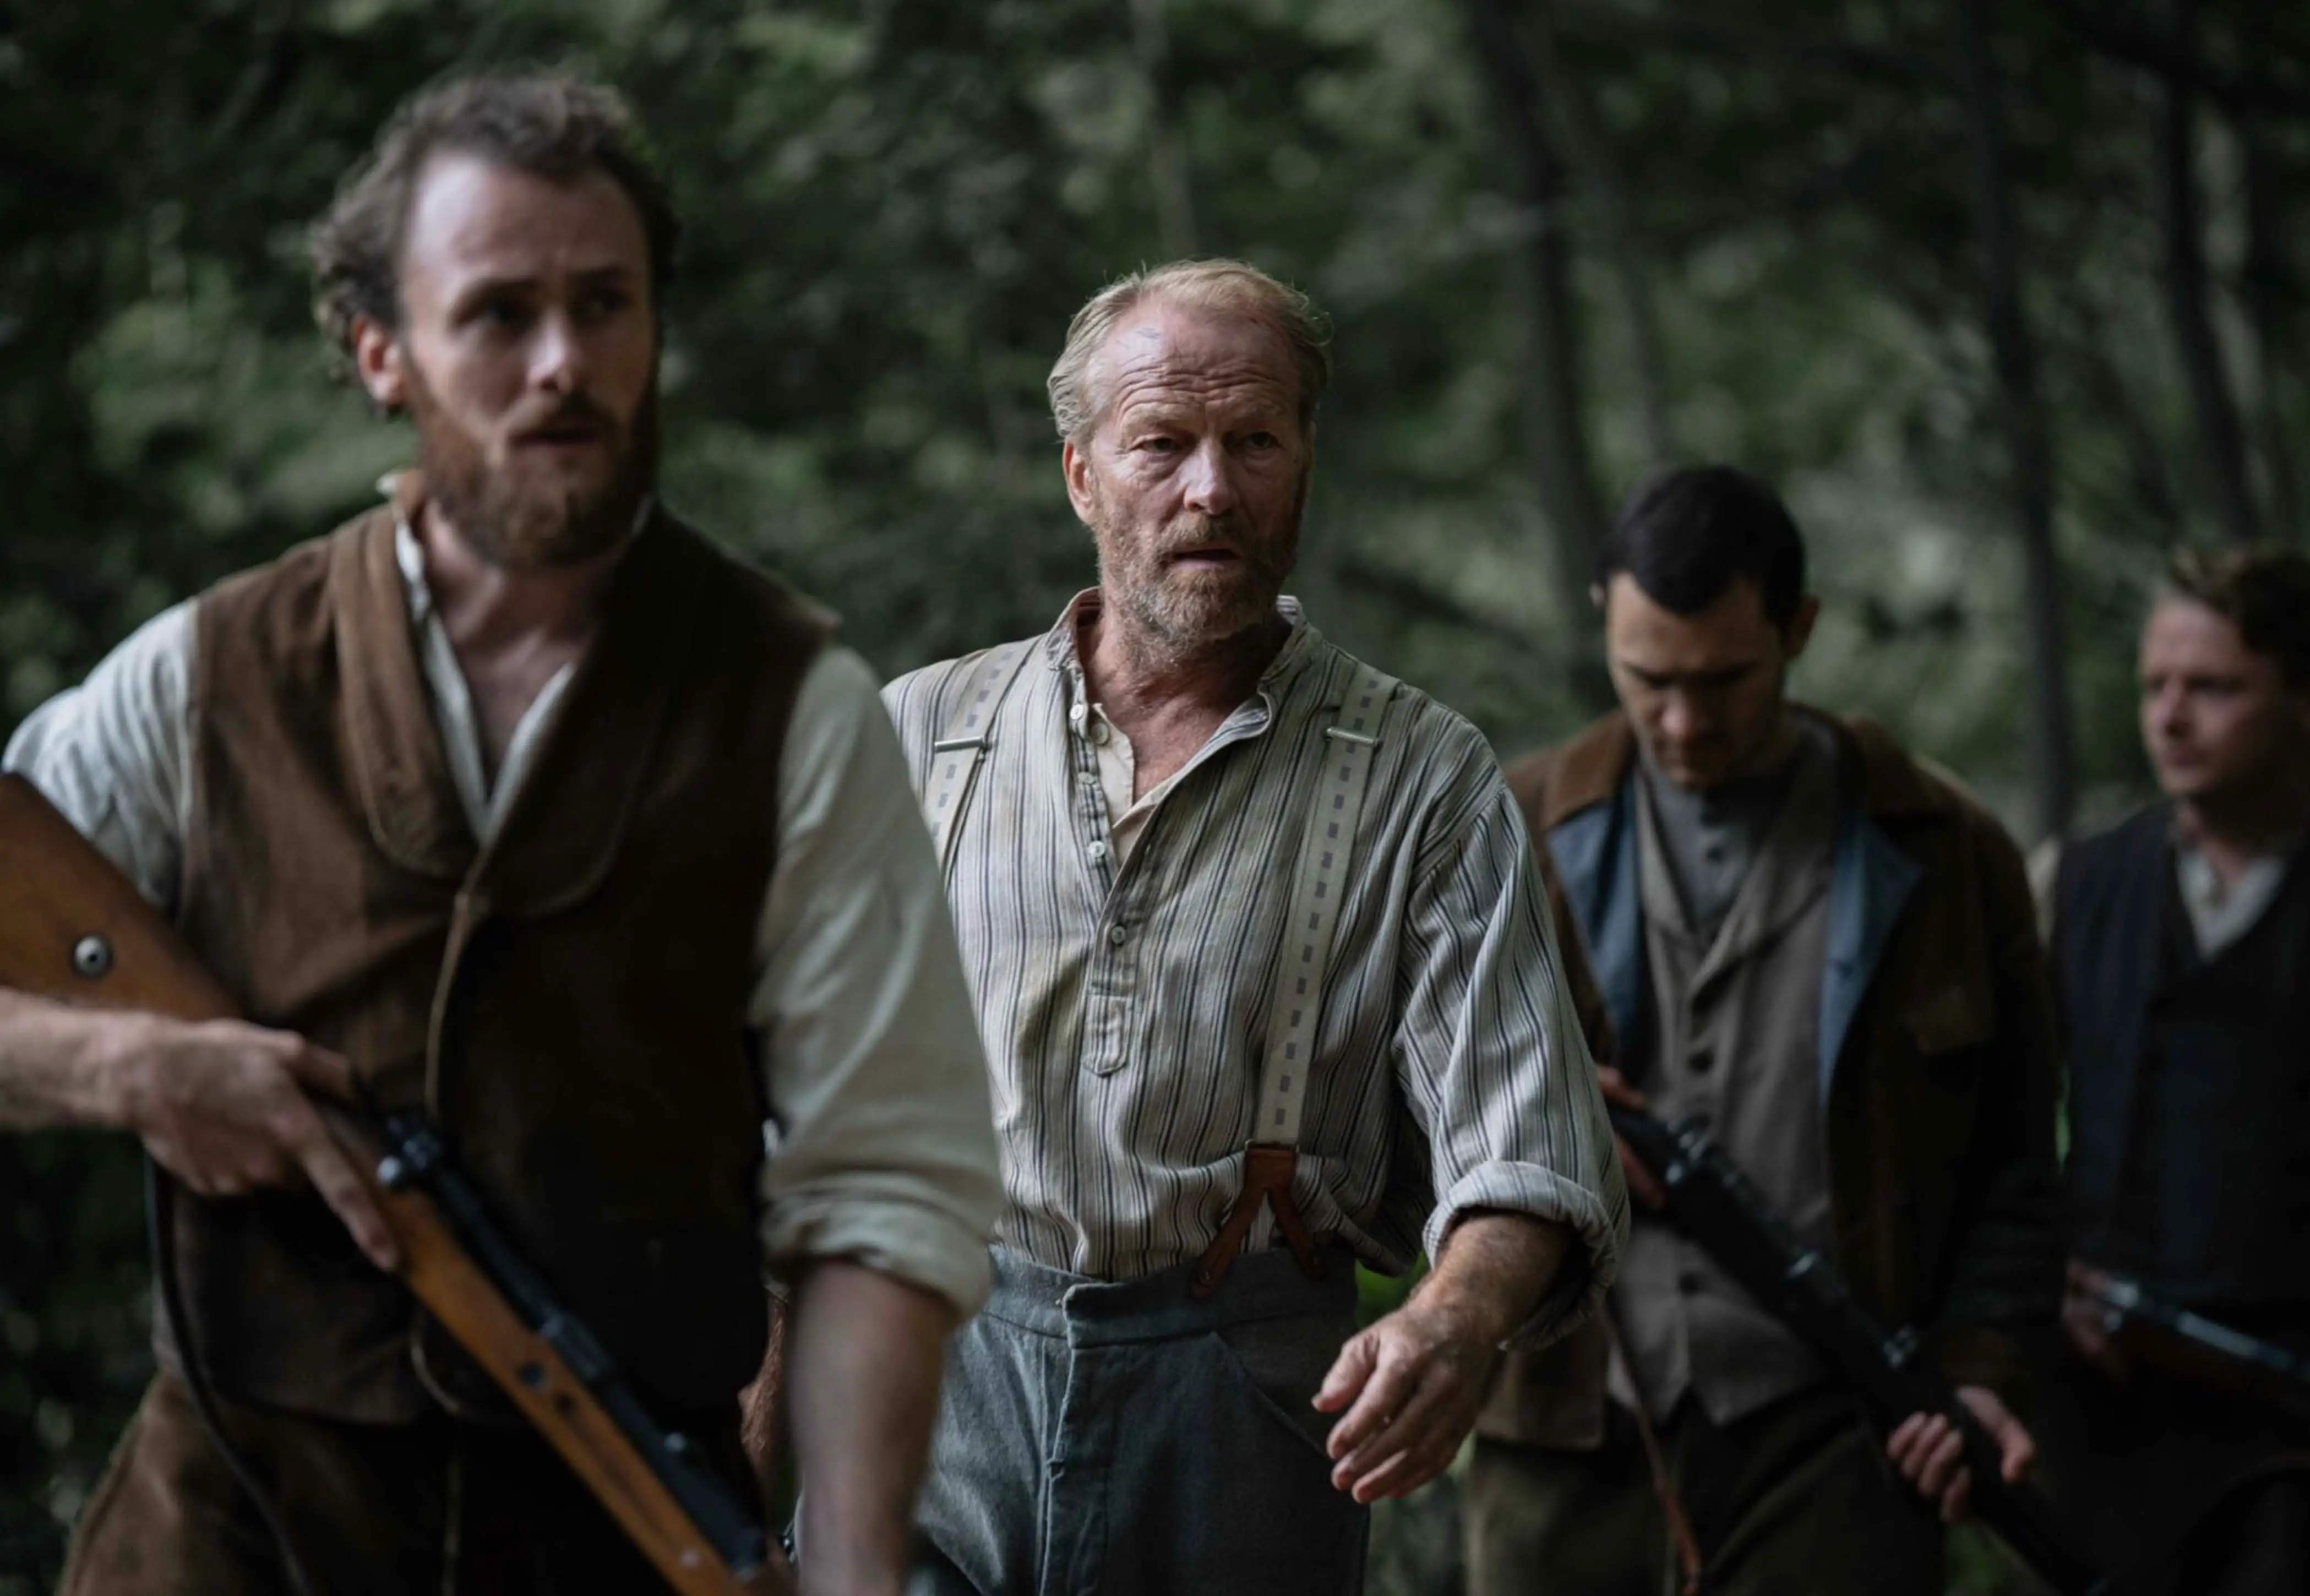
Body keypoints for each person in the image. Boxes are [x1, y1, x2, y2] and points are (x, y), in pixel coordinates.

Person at [0, 74, 1002, 1596]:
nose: (563, 364)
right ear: (379, 353)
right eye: (499, 314)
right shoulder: (205, 677)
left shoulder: (795, 709)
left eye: (606, 305)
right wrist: (120, 1064)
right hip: (220, 1541)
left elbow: (884, 1200)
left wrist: (851, 1572)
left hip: (616, 1540)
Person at [875, 259, 1627, 1596]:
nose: (1210, 489)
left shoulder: (1422, 777)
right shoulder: (924, 736)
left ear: (1305, 460)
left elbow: (1528, 1150)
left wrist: (1451, 1320)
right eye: (1161, 444)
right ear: (1081, 476)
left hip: (1244, 1410)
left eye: (1254, 441)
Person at [1463, 466, 2062, 1595]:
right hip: (1564, 1431)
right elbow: (1396, 1123)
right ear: (1604, 620)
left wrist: (1982, 1372)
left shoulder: (1945, 852)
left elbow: (2018, 1169)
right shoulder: (1509, 828)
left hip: (1836, 1435)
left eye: (1726, 680)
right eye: (1648, 680)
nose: (1683, 724)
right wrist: (1544, 1124)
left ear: (1800, 630)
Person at [2037, 546, 2310, 1594]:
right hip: (2102, 1409)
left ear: (2297, 695)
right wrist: (2048, 1274)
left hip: (2285, 1429)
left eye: (2214, 686)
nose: (2171, 715)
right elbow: (1988, 1125)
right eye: (2156, 685)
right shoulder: (2081, 882)